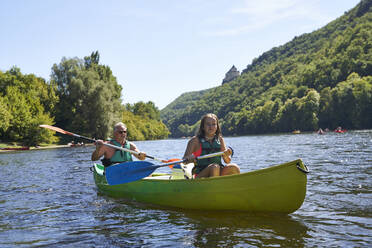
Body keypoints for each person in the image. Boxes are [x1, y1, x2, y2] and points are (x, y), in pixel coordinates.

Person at [182, 113, 240, 178]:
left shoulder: (220, 139)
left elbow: (227, 161)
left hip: (217, 170)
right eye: (208, 124)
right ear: (203, 127)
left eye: (213, 124)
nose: (211, 127)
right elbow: (184, 161)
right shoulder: (195, 140)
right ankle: (214, 186)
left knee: (234, 167)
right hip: (201, 174)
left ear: (217, 126)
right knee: (215, 167)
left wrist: (226, 155)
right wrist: (190, 159)